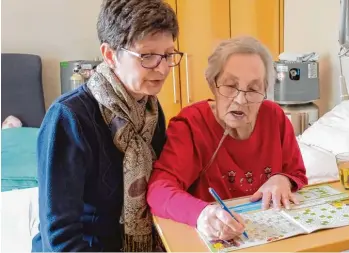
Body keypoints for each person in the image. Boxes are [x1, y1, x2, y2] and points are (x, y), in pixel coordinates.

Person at [32, 0, 181, 251]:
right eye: (147, 56)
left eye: (168, 55)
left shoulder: (150, 111)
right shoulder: (69, 117)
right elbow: (59, 235)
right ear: (110, 55)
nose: (164, 68)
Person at [147, 36, 308, 241]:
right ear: (213, 85)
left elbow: (297, 173)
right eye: (230, 86)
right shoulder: (191, 124)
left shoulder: (275, 117)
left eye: (253, 89)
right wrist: (201, 214)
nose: (240, 100)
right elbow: (158, 191)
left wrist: (282, 179)